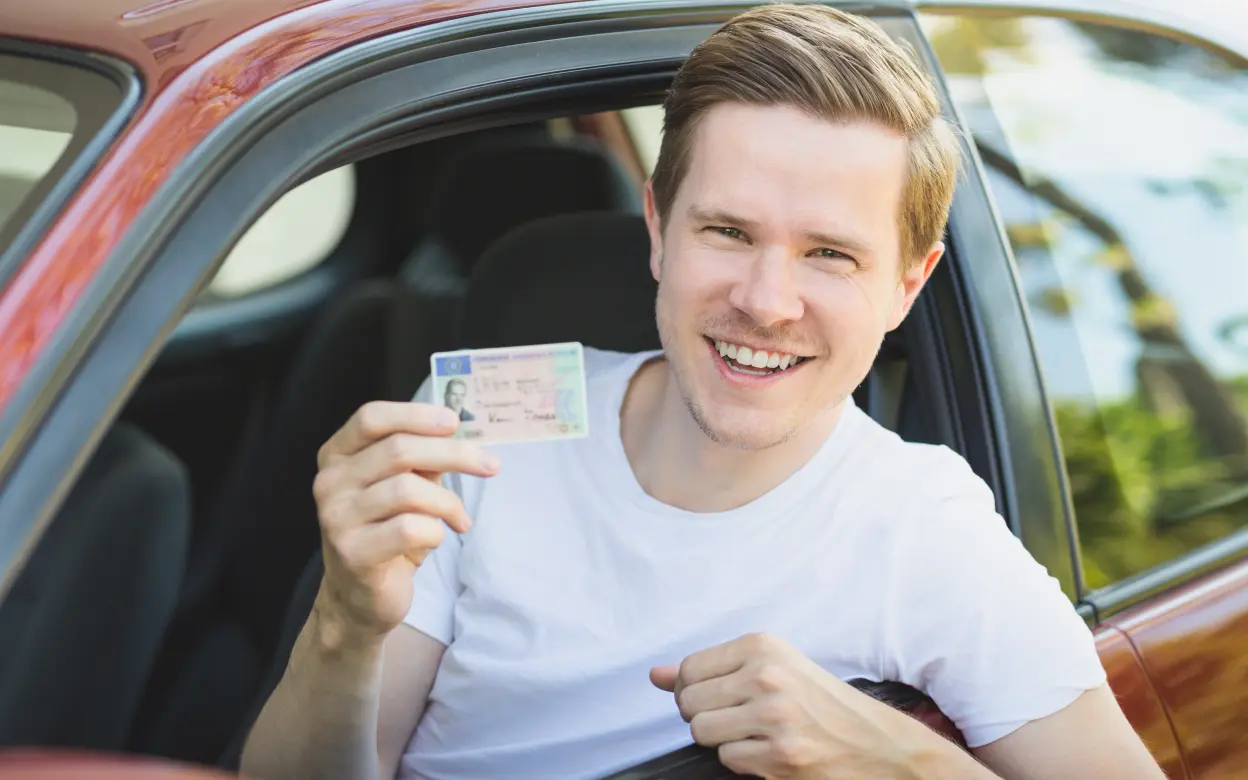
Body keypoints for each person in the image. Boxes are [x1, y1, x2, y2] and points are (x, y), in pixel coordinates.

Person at [240, 6, 1167, 780]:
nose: (766, 302)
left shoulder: (924, 529)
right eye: (727, 231)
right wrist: (342, 625)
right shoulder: (487, 422)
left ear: (906, 288)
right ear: (656, 227)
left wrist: (905, 762)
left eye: (831, 254)